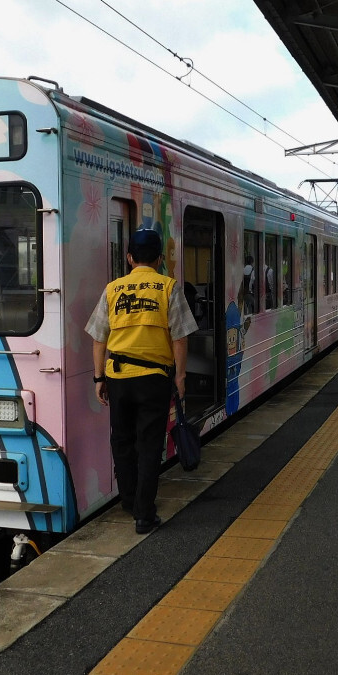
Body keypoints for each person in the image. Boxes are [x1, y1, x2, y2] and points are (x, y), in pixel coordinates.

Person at [86, 227, 198, 534]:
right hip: (154, 378)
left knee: (122, 440)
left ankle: (128, 500)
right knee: (149, 444)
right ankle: (144, 514)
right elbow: (180, 336)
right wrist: (180, 375)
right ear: (160, 258)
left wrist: (99, 378)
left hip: (118, 375)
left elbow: (98, 338)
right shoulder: (168, 287)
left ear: (129, 258)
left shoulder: (113, 289)